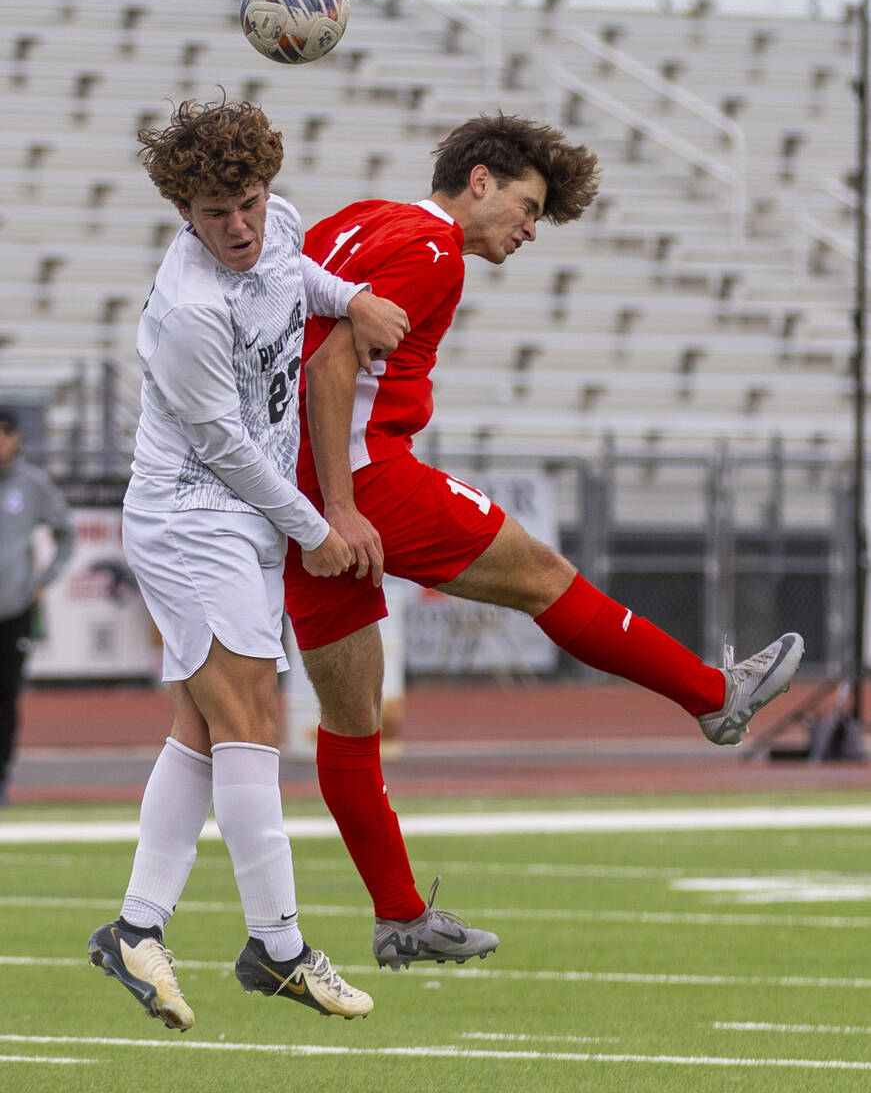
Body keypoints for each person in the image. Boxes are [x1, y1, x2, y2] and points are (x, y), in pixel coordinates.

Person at [281, 112, 806, 971]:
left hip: (286, 490)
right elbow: (331, 365)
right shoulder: (431, 248)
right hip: (361, 475)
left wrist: (301, 505)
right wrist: (341, 504)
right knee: (542, 575)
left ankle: (400, 916)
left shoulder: (357, 217)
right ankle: (712, 696)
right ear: (479, 179)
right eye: (527, 207)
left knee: (348, 720)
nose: (529, 230)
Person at [87, 96, 409, 1031]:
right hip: (194, 517)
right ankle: (277, 946)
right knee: (255, 721)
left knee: (202, 728)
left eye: (252, 202)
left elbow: (293, 279)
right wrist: (317, 528)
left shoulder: (280, 226)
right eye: (216, 211)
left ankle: (136, 927)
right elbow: (226, 448)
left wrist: (349, 298)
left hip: (242, 519)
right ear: (182, 209)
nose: (240, 225)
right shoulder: (186, 308)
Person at [0, 406, 75, 806]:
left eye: (4, 432)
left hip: (13, 612)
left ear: (17, 438)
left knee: (5, 698)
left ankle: (1, 780)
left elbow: (66, 533)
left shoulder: (31, 484)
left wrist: (42, 582)